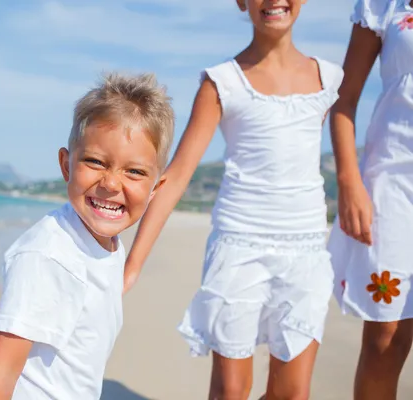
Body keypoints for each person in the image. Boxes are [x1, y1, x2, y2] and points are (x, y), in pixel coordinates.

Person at [122, 0, 344, 398]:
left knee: (292, 393)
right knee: (230, 391)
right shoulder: (221, 82)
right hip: (239, 248)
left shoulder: (327, 78)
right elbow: (176, 177)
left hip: (306, 250)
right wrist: (132, 263)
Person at [0, 72, 174, 400]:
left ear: (156, 188)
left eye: (134, 171)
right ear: (66, 165)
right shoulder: (47, 256)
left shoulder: (107, 245)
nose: (110, 183)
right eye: (95, 162)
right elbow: (0, 372)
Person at [326, 0, 413, 398]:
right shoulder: (385, 4)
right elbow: (344, 99)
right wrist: (349, 181)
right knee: (384, 339)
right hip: (394, 184)